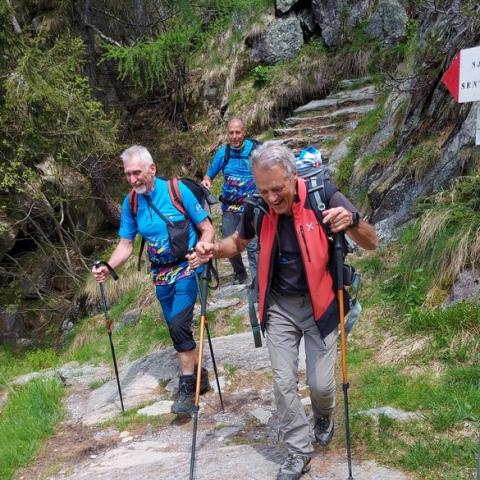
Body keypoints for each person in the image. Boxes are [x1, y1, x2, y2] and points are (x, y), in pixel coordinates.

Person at [191, 142, 378, 480]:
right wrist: (212, 249)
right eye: (264, 190)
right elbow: (237, 242)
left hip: (321, 303)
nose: (272, 198)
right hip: (278, 305)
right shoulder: (256, 206)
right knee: (282, 383)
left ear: (293, 178)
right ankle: (298, 450)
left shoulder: (323, 194)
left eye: (277, 189)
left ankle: (324, 414)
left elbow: (371, 241)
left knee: (321, 385)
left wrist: (352, 220)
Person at [92, 145, 215, 415]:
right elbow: (125, 246)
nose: (133, 179)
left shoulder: (176, 191)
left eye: (137, 172)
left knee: (180, 324)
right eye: (128, 174)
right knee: (174, 327)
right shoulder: (131, 203)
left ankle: (185, 387)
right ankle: (199, 375)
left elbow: (207, 229)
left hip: (187, 267)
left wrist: (201, 252)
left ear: (152, 169)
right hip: (160, 274)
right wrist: (107, 266)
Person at [201, 118, 258, 284]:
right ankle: (240, 273)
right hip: (229, 207)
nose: (234, 136)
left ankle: (257, 283)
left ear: (244, 132)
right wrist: (206, 182)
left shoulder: (255, 150)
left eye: (237, 132)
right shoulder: (223, 153)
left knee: (254, 245)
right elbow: (209, 175)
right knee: (228, 239)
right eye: (231, 133)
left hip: (251, 207)